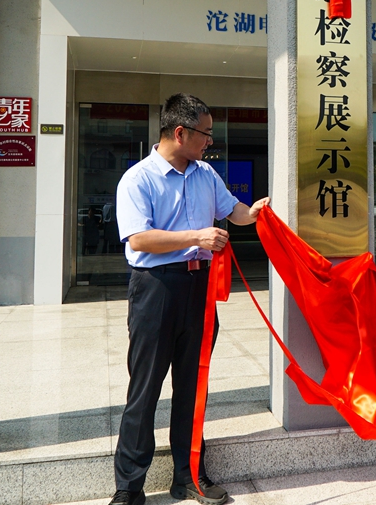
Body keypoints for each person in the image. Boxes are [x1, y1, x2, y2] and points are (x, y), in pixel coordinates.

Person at [110, 93, 269, 505]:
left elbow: (232, 210)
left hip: (200, 291)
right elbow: (140, 238)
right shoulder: (138, 179)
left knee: (193, 384)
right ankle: (129, 487)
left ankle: (191, 474)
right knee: (144, 389)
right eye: (205, 134)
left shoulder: (205, 175)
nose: (209, 142)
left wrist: (255, 213)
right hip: (156, 289)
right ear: (180, 133)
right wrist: (197, 237)